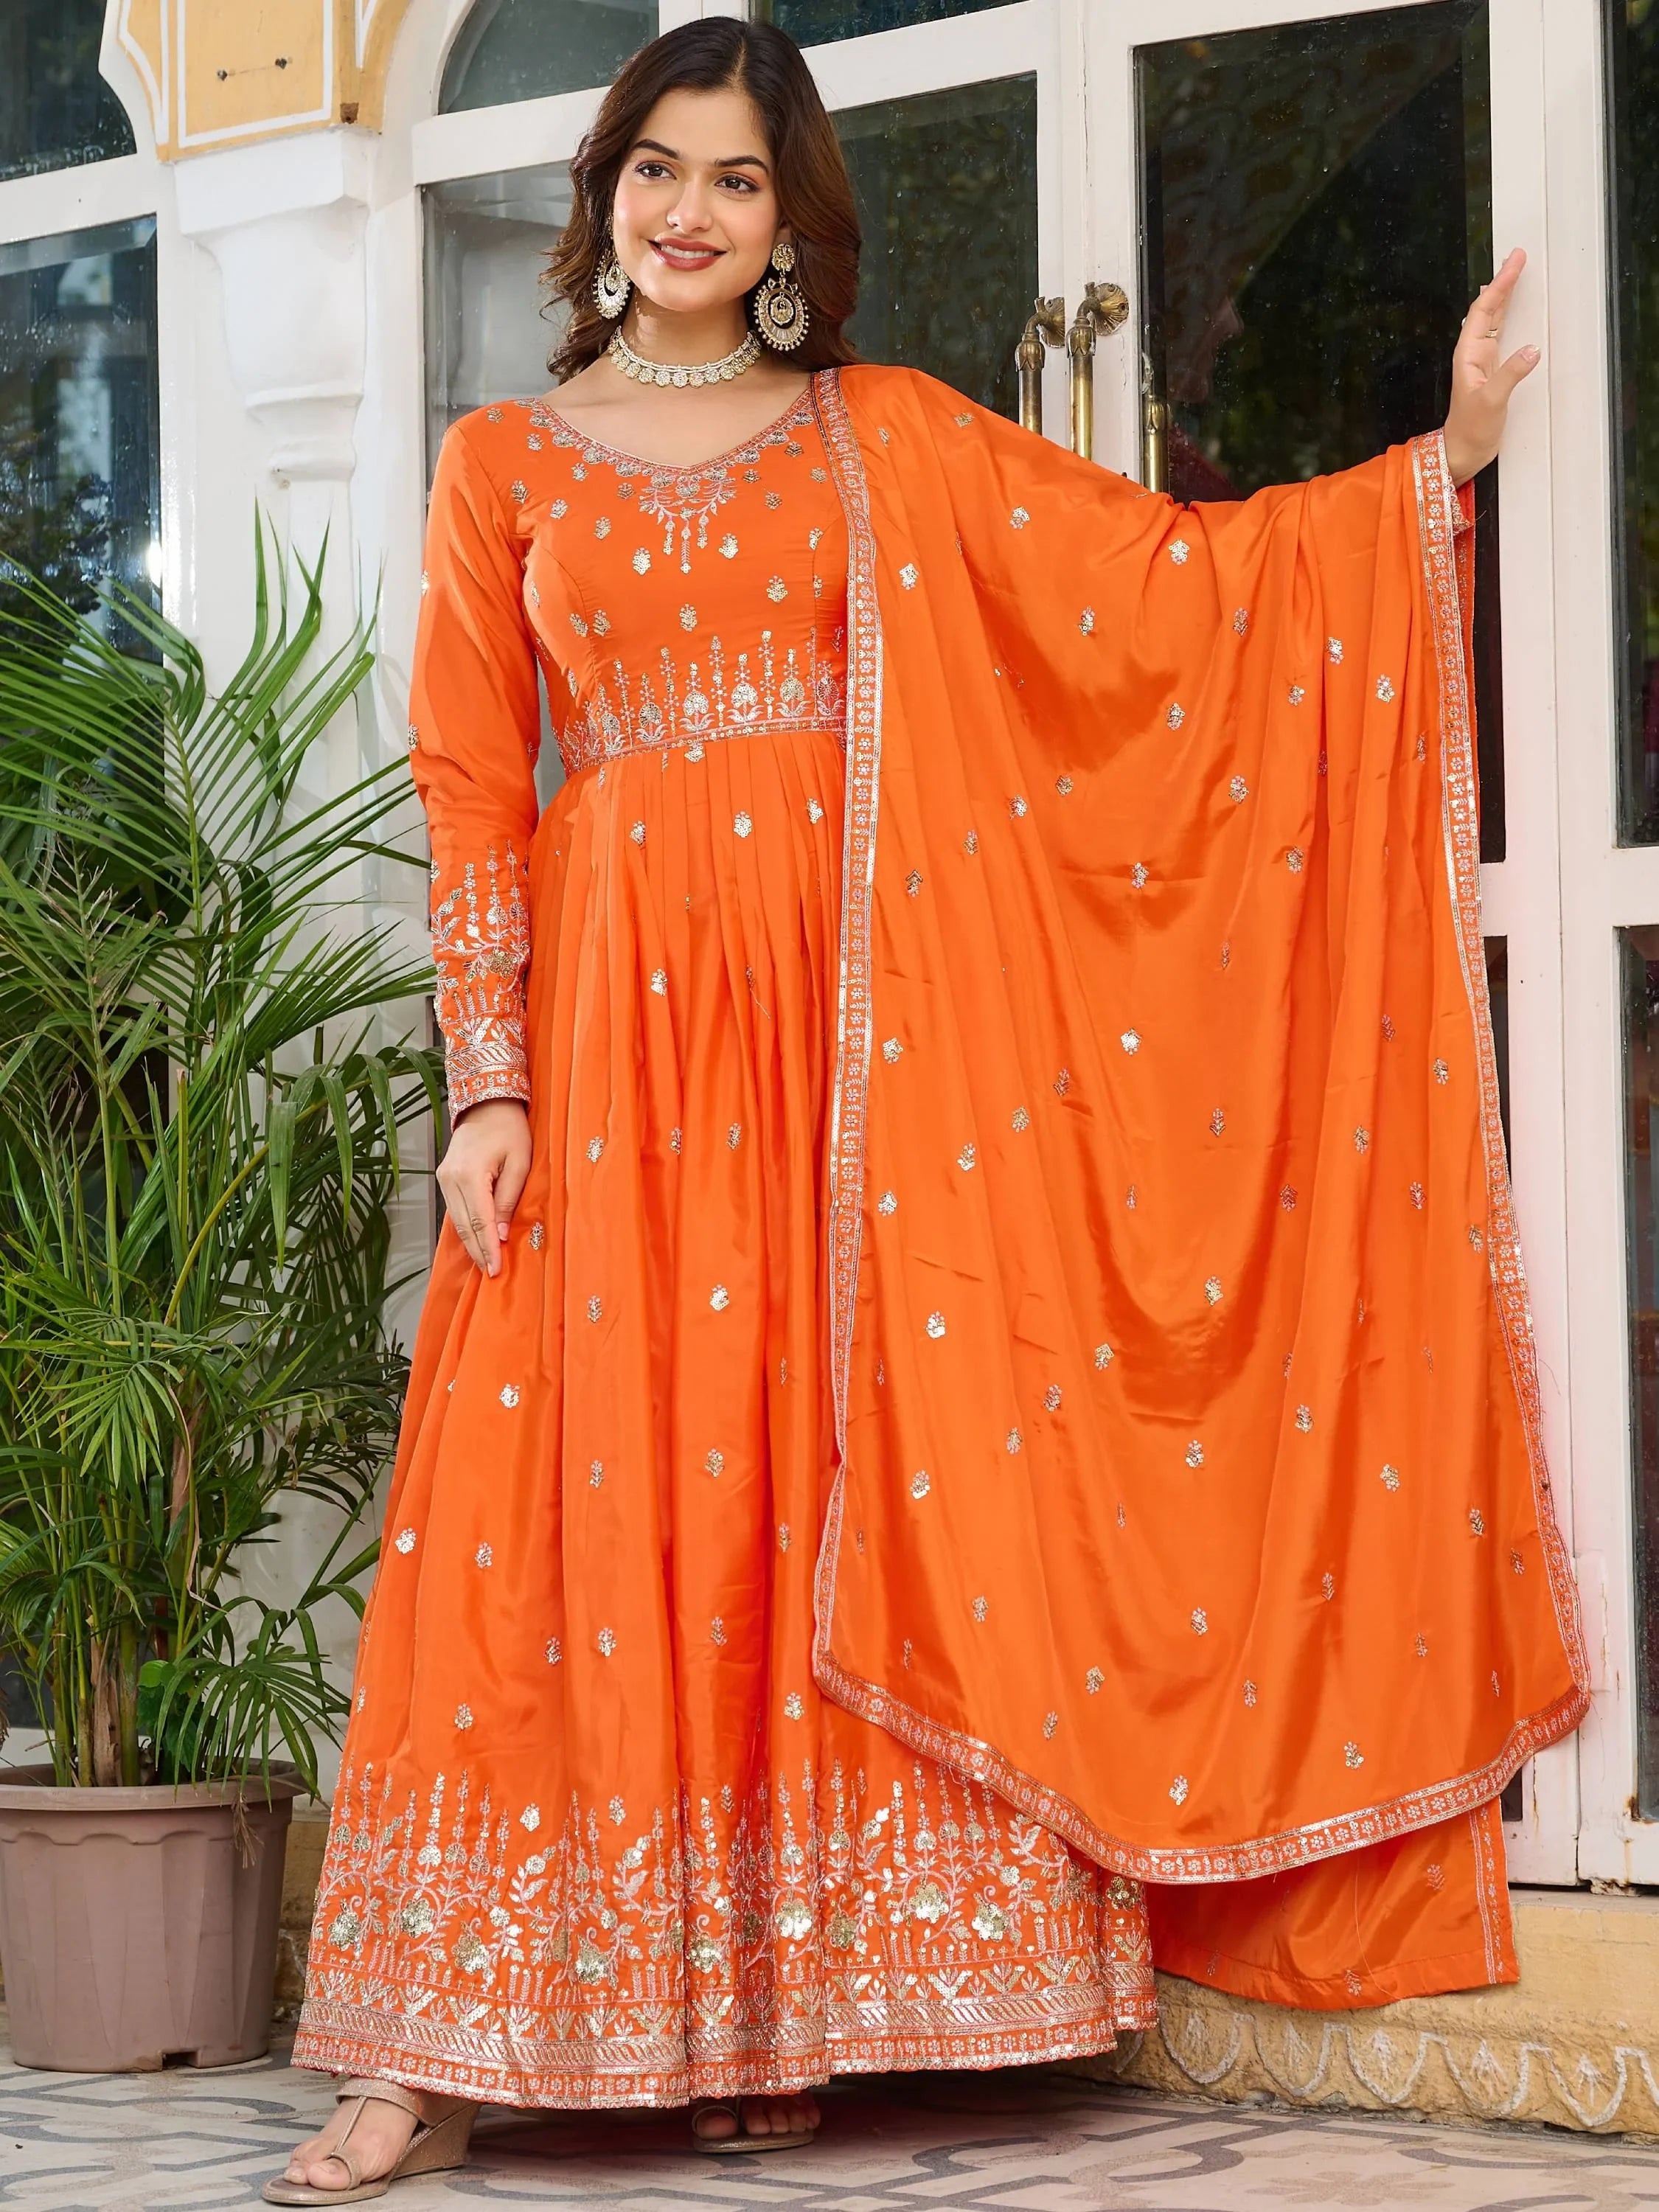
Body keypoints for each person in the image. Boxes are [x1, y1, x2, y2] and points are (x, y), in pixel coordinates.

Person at [271, 17, 1585, 2202]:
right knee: (567, 1486)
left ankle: (790, 2002)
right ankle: (435, 2038)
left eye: (735, 181)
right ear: (604, 194)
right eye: (655, 170)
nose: (686, 211)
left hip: (859, 1027)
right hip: (610, 1037)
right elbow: (472, 786)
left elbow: (1150, 593)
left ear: (789, 229)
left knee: (820, 1460)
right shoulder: (502, 463)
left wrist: (1418, 472)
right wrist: (483, 1078)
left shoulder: (877, 435)